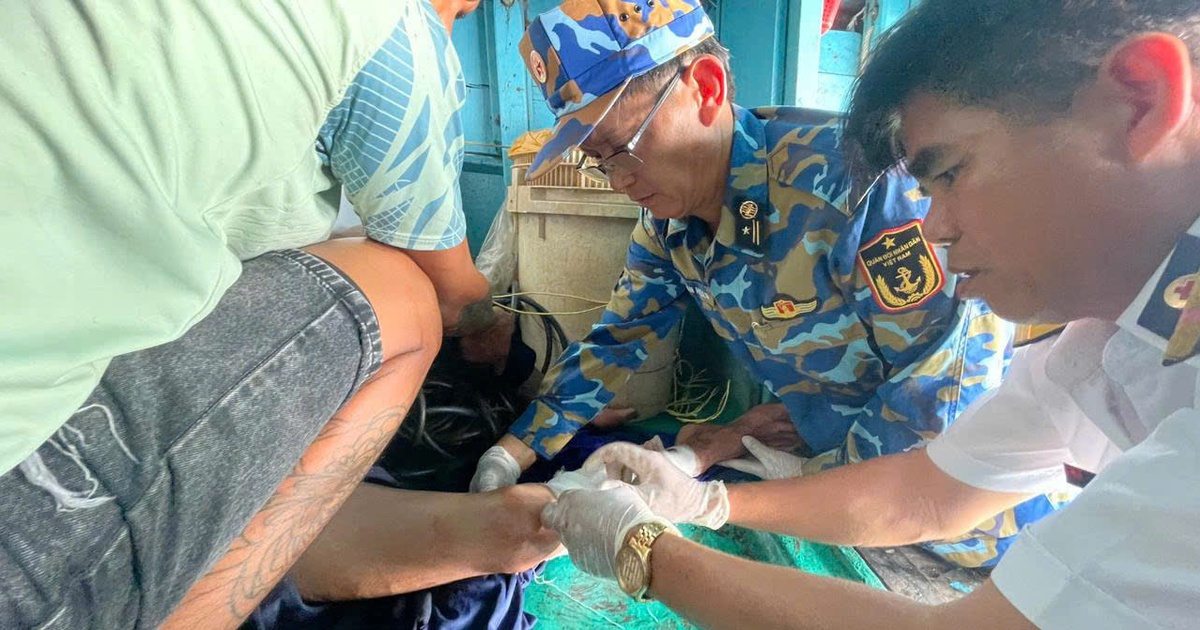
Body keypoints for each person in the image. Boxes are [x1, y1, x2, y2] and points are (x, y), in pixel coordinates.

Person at [542, 1, 1200, 628]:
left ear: (1139, 99)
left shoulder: (843, 186)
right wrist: (708, 500)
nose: (934, 227)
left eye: (950, 173)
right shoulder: (1106, 343)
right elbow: (926, 493)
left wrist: (641, 551)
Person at [0, 1, 559, 629]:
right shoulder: (399, 28)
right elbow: (453, 293)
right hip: (23, 505)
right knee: (402, 291)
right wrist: (499, 338)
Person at [469, 0, 1060, 569]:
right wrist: (512, 453)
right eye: (597, 159)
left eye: (620, 148)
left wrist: (771, 484)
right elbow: (616, 341)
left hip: (980, 529)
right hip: (839, 508)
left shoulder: (856, 187)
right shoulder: (670, 225)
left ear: (706, 88)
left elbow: (942, 394)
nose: (617, 178)